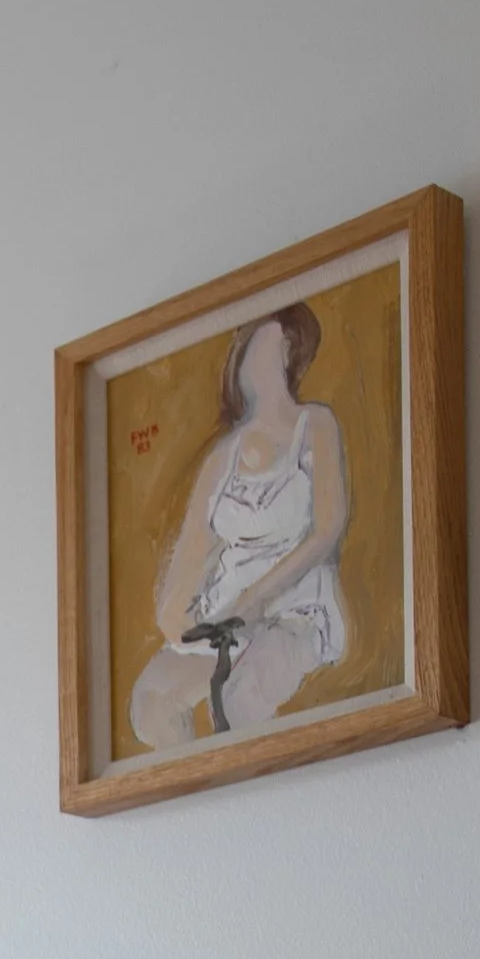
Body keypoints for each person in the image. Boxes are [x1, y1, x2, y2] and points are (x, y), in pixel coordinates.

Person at [128, 302, 349, 749]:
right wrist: (173, 615)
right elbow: (193, 546)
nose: (248, 357)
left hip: (292, 605)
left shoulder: (316, 426)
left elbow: (328, 528)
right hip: (224, 613)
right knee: (151, 703)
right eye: (243, 349)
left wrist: (255, 602)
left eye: (260, 343)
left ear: (289, 348)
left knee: (238, 700)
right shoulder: (222, 458)